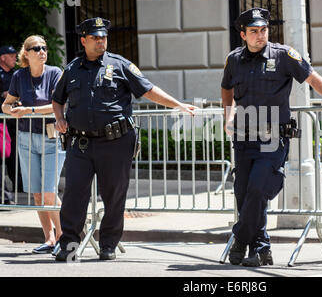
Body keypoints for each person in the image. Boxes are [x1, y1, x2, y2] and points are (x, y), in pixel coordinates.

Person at [52, 17, 196, 262]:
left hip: (116, 142)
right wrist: (60, 118)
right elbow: (58, 99)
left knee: (114, 195)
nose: (101, 42)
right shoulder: (72, 69)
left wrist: (178, 104)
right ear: (84, 40)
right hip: (81, 143)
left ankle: (108, 244)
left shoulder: (120, 66)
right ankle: (68, 244)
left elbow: (148, 89)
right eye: (95, 38)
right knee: (74, 194)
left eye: (103, 38)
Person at [221, 8, 322, 267]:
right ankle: (261, 250)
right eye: (254, 32)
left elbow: (312, 77)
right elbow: (226, 88)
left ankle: (239, 238)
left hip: (272, 138)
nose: (260, 36)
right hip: (243, 137)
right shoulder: (234, 59)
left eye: (263, 30)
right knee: (244, 193)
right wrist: (228, 116)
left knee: (258, 189)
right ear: (243, 35)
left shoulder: (283, 56)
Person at [1, 36, 65, 254]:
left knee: (49, 193)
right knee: (37, 194)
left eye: (44, 48)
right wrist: (13, 109)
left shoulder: (55, 73)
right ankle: (48, 238)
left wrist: (29, 111)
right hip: (26, 138)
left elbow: (59, 105)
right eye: (36, 48)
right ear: (25, 54)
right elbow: (5, 105)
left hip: (52, 137)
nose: (42, 51)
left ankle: (64, 238)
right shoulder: (19, 76)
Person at [0, 45, 24, 202]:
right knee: (3, 154)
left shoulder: (16, 74)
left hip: (14, 120)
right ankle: (5, 196)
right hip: (2, 121)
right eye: (11, 55)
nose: (15, 58)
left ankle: (20, 186)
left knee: (16, 152)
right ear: (3, 57)